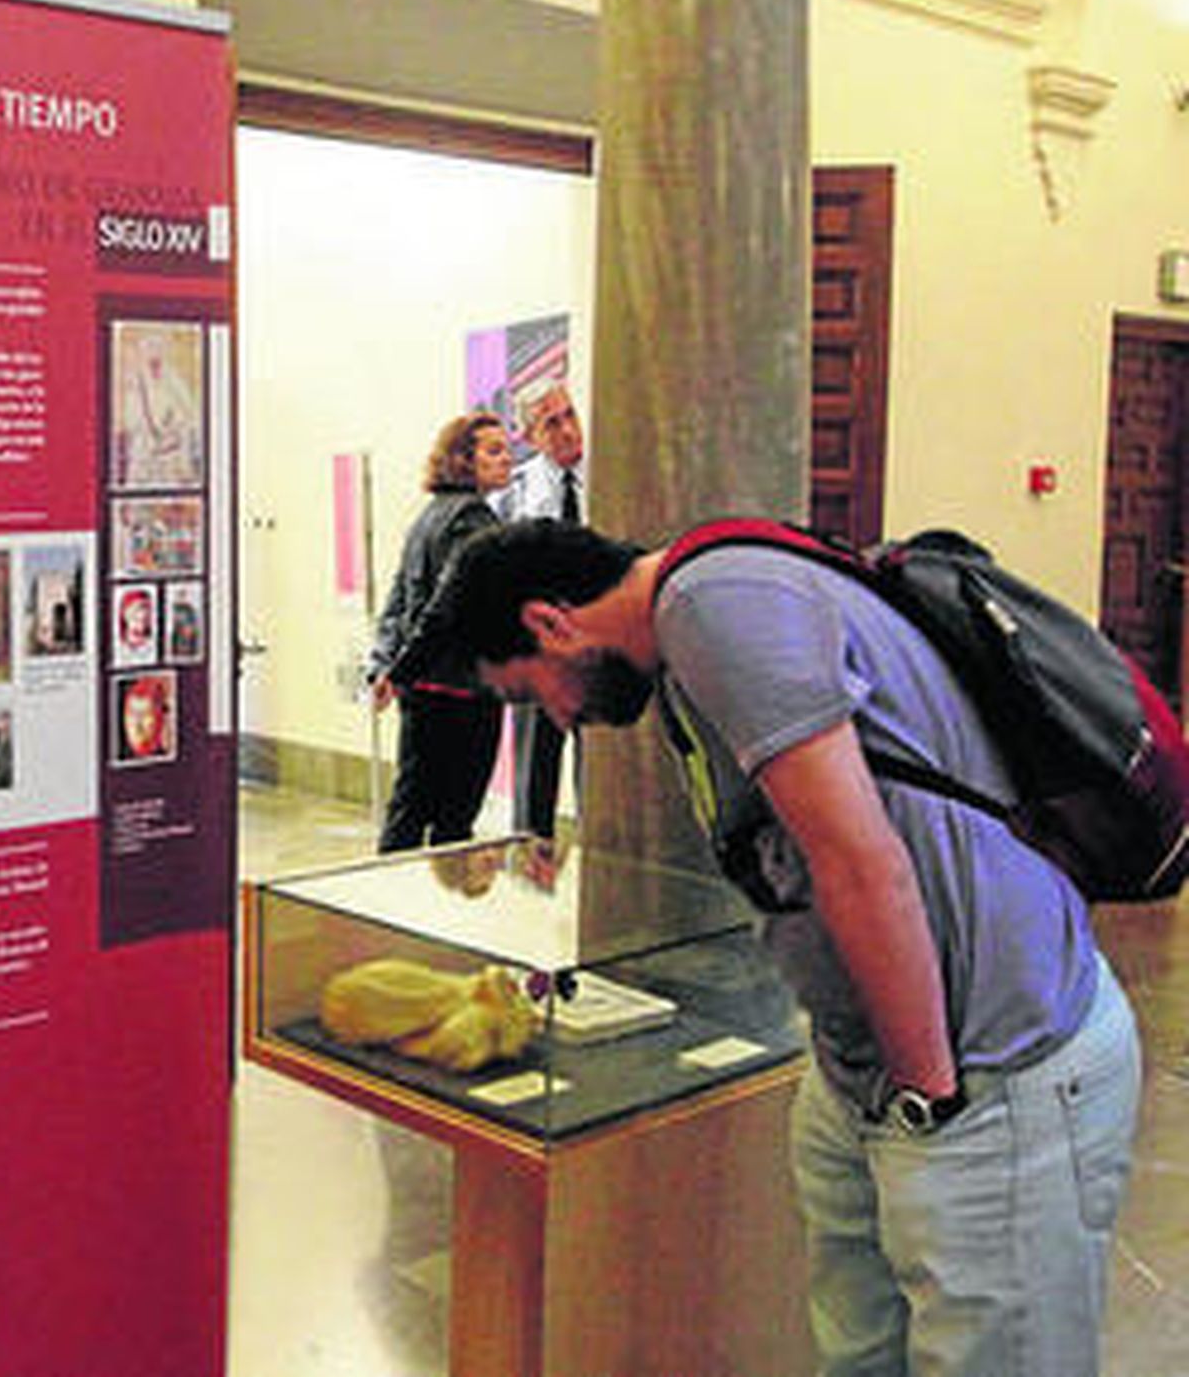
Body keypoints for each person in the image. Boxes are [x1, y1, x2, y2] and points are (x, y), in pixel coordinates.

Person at [403, 517, 1141, 1377]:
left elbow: (862, 865)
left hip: (991, 1068)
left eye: (534, 695)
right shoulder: (697, 621)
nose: (564, 720)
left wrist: (926, 1100)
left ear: (550, 622)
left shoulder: (713, 606)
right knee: (862, 1350)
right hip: (879, 1077)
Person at [367, 411, 513, 852]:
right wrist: (401, 670)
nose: (507, 459)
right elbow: (445, 610)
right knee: (452, 822)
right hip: (462, 693)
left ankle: (388, 907)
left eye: (506, 449)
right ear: (463, 461)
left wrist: (389, 668)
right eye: (494, 451)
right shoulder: (472, 521)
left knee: (410, 808)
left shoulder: (430, 516)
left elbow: (398, 603)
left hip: (426, 691)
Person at [492, 379, 586, 839]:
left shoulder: (616, 474)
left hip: (600, 648)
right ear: (530, 437)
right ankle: (532, 873)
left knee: (603, 777)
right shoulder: (513, 494)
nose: (569, 430)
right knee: (535, 777)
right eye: (552, 423)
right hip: (540, 651)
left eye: (570, 415)